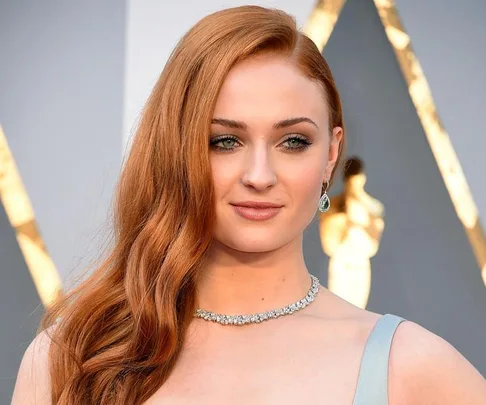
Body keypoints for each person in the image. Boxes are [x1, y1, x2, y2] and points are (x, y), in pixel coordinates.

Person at [11, 5, 486, 405]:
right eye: (224, 141)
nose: (259, 176)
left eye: (293, 141)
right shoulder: (70, 360)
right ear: (178, 149)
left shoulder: (412, 368)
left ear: (331, 155)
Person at [319, 156, 385, 308]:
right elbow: (329, 244)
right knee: (339, 309)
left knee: (357, 310)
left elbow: (372, 245)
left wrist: (357, 227)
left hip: (358, 264)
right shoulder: (333, 206)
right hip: (342, 263)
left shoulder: (372, 207)